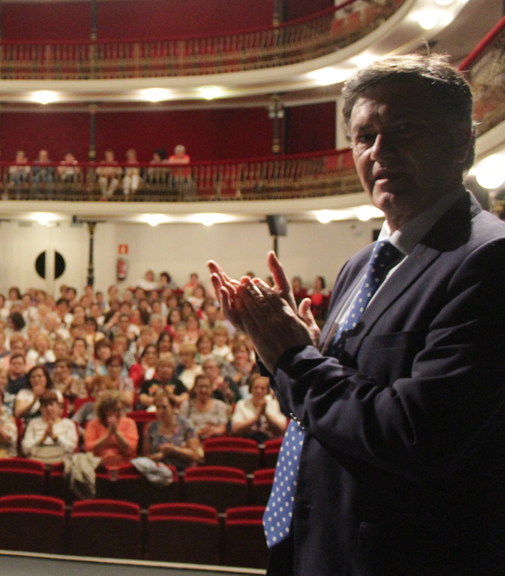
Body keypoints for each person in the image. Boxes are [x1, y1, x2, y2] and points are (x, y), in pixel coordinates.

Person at [209, 55, 505, 575]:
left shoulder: (487, 259)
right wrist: (276, 347)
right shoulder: (361, 264)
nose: (379, 152)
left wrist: (295, 356)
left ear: (462, 141)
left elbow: (414, 436)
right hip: (318, 544)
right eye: (363, 136)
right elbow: (323, 403)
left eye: (404, 130)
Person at [143, 390, 202, 471]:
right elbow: (146, 457)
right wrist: (162, 455)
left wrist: (174, 450)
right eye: (157, 408)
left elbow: (195, 455)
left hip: (182, 470)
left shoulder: (186, 425)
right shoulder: (150, 427)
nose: (160, 411)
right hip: (158, 472)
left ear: (173, 407)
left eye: (164, 407)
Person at [84, 390, 138, 467]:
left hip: (124, 463)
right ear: (106, 411)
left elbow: (131, 449)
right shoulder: (93, 424)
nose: (120, 413)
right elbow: (89, 449)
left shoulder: (129, 423)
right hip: (99, 465)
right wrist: (108, 435)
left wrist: (116, 433)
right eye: (117, 410)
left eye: (121, 410)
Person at [21, 391, 78, 464]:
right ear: (41, 409)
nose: (48, 408)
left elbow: (71, 449)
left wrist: (55, 438)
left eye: (51, 404)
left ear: (58, 406)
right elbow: (25, 449)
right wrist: (42, 439)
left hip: (61, 461)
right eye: (45, 406)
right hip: (37, 459)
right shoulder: (33, 423)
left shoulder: (68, 424)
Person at [230, 375, 287, 443]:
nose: (259, 391)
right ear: (250, 389)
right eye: (256, 388)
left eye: (263, 388)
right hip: (248, 440)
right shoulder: (241, 404)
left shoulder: (274, 404)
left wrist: (266, 414)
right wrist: (257, 417)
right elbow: (235, 428)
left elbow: (282, 428)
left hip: (269, 439)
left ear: (267, 391)